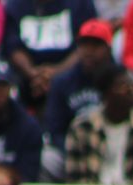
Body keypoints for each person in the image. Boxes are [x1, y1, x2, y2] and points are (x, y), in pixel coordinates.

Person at [65, 63, 133, 185]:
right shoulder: (83, 126)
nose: (130, 91)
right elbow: (75, 179)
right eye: (123, 86)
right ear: (106, 92)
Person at [3, 0, 97, 107]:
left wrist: (56, 72)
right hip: (27, 78)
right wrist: (33, 73)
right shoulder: (15, 4)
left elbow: (84, 47)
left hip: (71, 76)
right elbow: (12, 47)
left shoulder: (81, 3)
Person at [43, 18, 113, 156]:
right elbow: (55, 130)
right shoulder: (62, 82)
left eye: (96, 45)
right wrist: (74, 151)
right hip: (73, 151)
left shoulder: (120, 81)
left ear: (108, 49)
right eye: (85, 44)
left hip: (113, 149)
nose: (89, 51)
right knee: (48, 158)